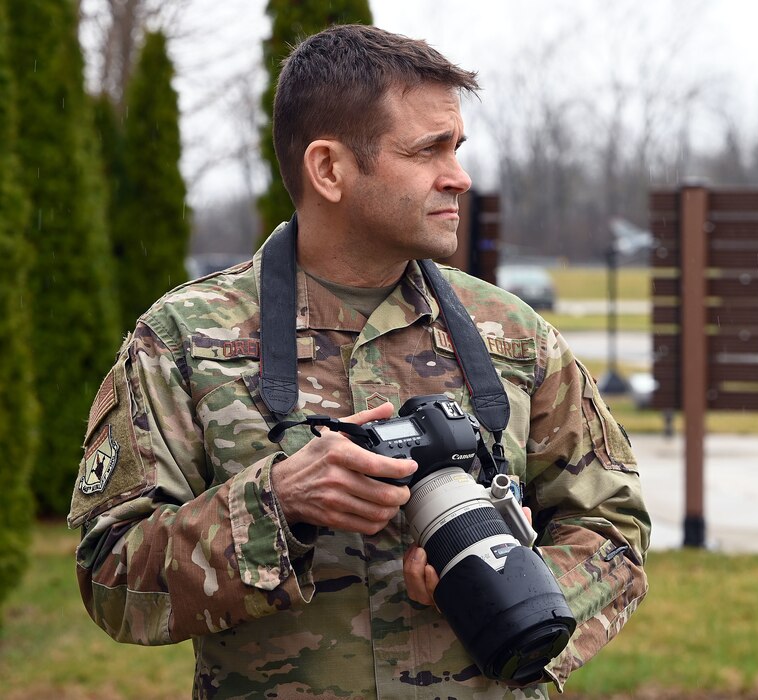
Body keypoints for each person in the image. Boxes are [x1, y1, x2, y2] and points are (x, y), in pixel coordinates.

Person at [69, 24, 649, 699]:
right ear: (329, 169)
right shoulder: (183, 342)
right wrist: (277, 503)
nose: (458, 177)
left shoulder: (514, 338)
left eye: (456, 148)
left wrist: (515, 588)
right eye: (428, 150)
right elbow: (111, 578)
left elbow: (614, 530)